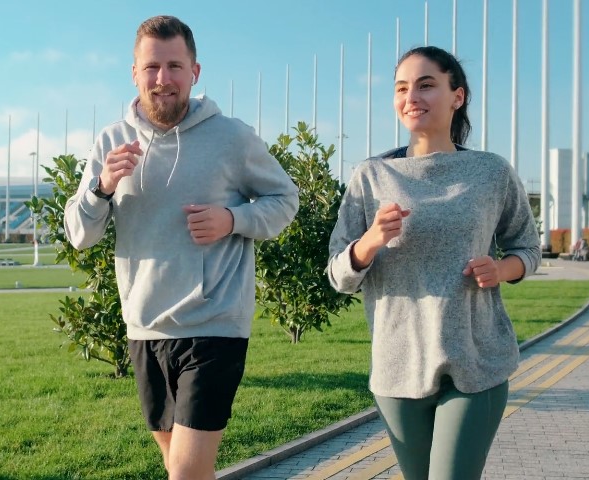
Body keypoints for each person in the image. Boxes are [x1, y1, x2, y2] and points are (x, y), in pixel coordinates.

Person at [63, 15, 298, 480]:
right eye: (151, 67)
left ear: (195, 71)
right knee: (184, 469)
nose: (162, 79)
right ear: (134, 73)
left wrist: (233, 219)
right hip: (145, 325)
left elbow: (285, 199)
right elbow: (79, 234)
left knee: (186, 473)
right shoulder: (111, 141)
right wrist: (102, 186)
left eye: (174, 66)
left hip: (214, 324)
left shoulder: (230, 136)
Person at [327, 46, 540, 480]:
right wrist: (369, 242)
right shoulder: (370, 176)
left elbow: (527, 248)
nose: (412, 97)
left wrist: (501, 270)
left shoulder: (491, 172)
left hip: (477, 362)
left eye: (426, 85)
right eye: (402, 88)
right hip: (397, 368)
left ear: (456, 96)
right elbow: (338, 275)